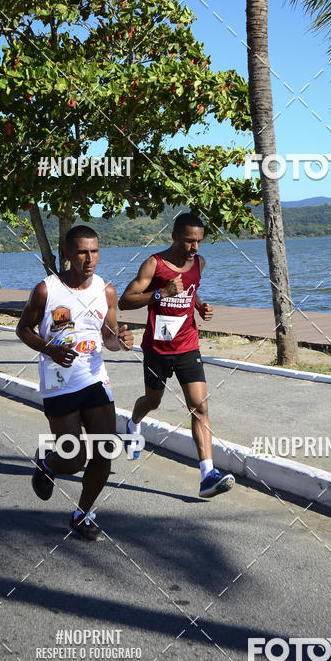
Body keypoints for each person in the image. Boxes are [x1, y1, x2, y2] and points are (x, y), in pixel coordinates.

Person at [16, 225, 133, 541]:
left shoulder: (106, 291)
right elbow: (23, 329)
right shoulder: (46, 290)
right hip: (59, 383)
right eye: (82, 251)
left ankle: (83, 514)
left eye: (94, 251)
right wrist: (50, 348)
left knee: (104, 450)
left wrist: (120, 339)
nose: (90, 258)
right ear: (67, 254)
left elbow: (108, 338)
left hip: (94, 379)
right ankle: (49, 463)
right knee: (73, 457)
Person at [118, 213, 234, 498]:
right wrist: (161, 293)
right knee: (152, 401)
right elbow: (126, 300)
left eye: (198, 242)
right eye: (188, 241)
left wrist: (199, 306)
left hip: (188, 345)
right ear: (174, 237)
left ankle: (208, 474)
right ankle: (132, 424)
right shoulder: (154, 264)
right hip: (157, 349)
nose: (194, 248)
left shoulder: (199, 263)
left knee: (199, 406)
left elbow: (190, 290)